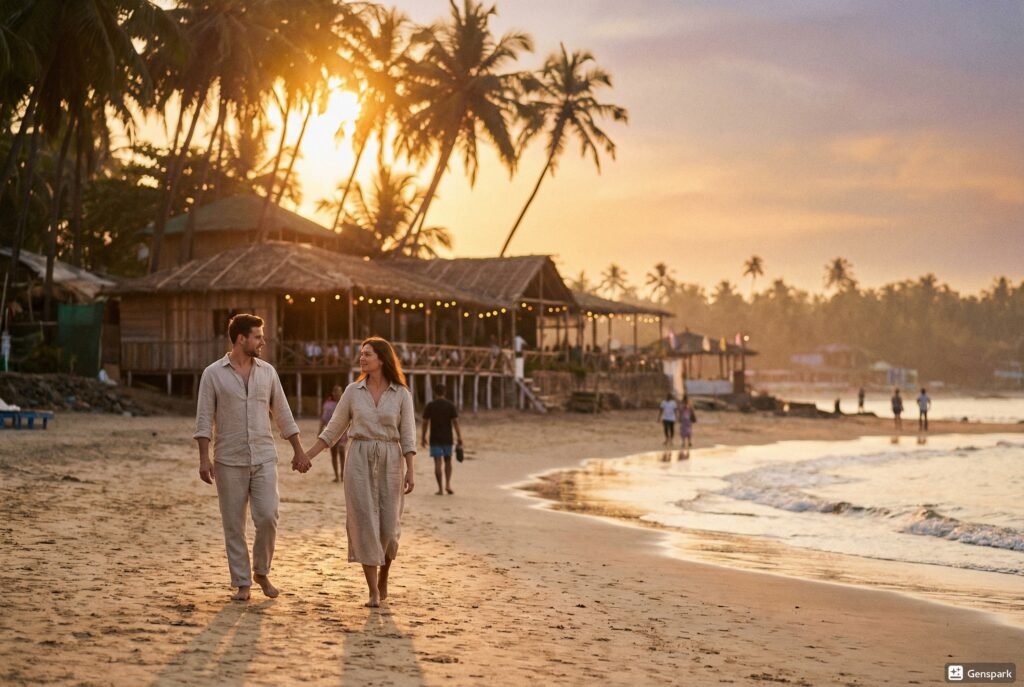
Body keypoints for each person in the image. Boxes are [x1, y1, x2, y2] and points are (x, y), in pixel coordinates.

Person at [297, 337, 416, 608]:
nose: (362, 358)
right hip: (359, 460)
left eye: (368, 354)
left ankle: (384, 574)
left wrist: (411, 470)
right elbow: (332, 430)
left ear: (382, 359)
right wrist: (306, 456)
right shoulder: (352, 391)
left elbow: (408, 436)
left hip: (391, 460)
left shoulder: (401, 394)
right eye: (361, 354)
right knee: (364, 524)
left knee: (388, 528)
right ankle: (373, 590)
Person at [194, 314, 304, 602]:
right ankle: (242, 582)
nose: (263, 341)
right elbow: (204, 418)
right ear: (241, 338)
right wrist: (204, 459)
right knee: (234, 524)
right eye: (258, 336)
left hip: (264, 456)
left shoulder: (267, 372)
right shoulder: (213, 374)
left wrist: (298, 449)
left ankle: (261, 571)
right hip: (228, 459)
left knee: (268, 516)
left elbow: (282, 412)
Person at [421, 383, 463, 495]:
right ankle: (448, 484)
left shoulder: (430, 405)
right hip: (447, 438)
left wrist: (423, 437)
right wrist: (459, 437)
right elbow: (455, 423)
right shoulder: (450, 405)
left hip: (434, 438)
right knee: (448, 461)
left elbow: (425, 423)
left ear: (435, 393)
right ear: (445, 392)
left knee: (437, 463)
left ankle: (440, 489)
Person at [320, 385, 347, 483]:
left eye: (339, 391)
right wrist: (320, 431)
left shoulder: (345, 403)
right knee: (334, 454)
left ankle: (343, 475)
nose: (337, 394)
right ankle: (337, 476)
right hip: (331, 432)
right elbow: (323, 419)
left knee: (342, 452)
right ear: (333, 393)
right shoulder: (328, 405)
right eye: (335, 392)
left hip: (343, 433)